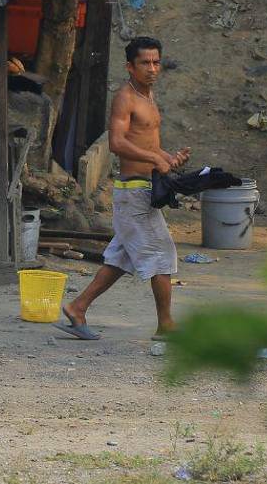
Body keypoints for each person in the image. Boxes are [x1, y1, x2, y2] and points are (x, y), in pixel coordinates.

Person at [56, 36, 189, 341]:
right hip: (133, 192)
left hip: (145, 188)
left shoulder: (149, 98)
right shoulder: (125, 98)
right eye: (145, 63)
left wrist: (168, 157)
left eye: (156, 62)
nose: (152, 68)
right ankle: (166, 326)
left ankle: (78, 308)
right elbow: (116, 144)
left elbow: (145, 143)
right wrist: (156, 158)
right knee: (162, 254)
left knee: (121, 258)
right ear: (130, 66)